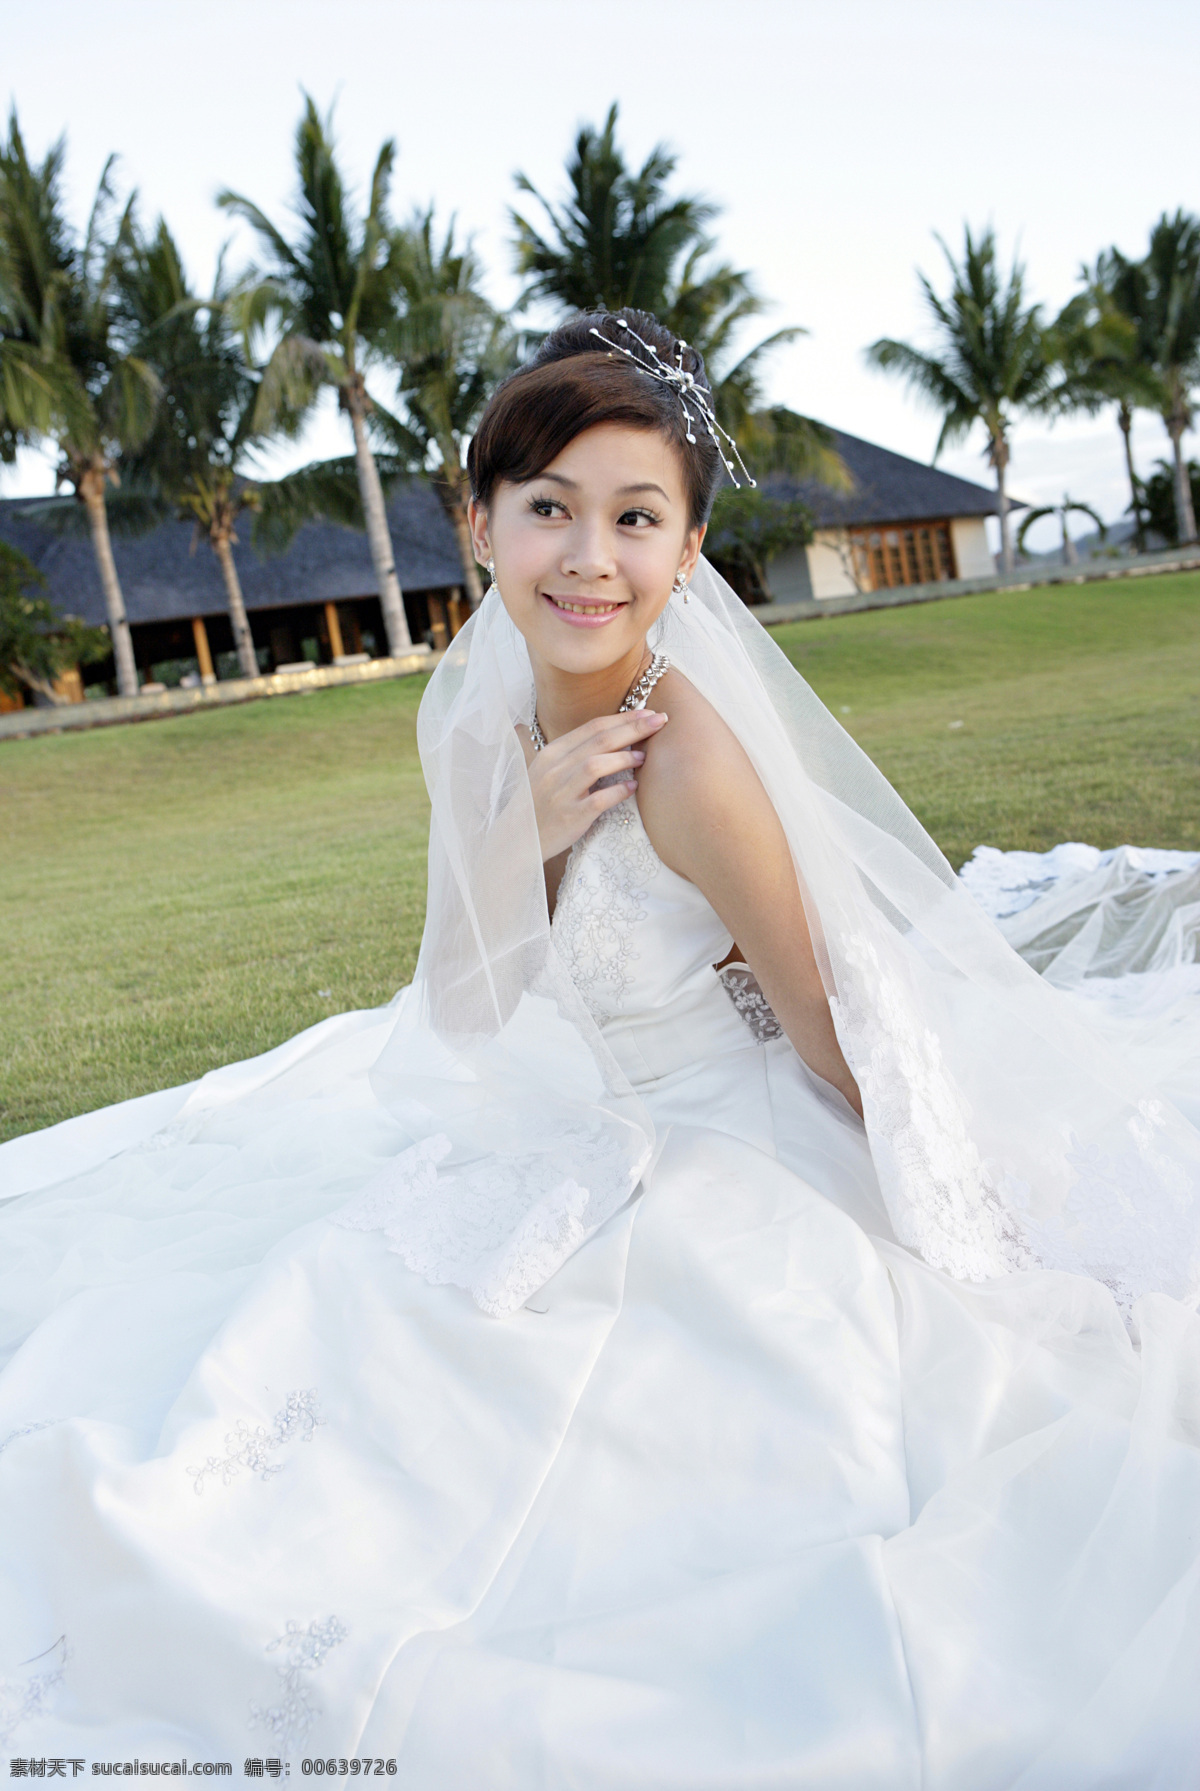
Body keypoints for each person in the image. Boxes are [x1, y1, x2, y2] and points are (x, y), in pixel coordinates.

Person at [1, 310, 1199, 1786]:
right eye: (549, 510)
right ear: (480, 524)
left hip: (743, 1130)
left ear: (689, 550)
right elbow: (459, 1007)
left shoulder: (691, 756)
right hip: (586, 1125)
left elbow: (828, 1013)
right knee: (320, 1340)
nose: (589, 558)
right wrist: (526, 831)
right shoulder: (478, 714)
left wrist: (970, 1223)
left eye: (637, 519)